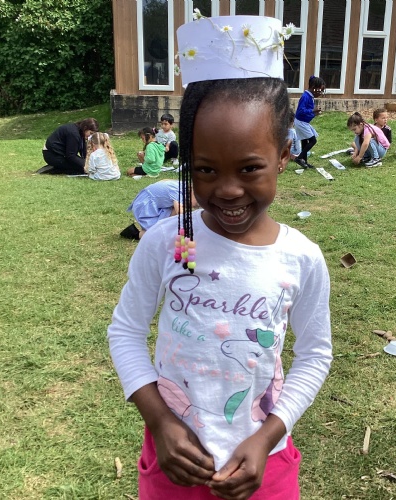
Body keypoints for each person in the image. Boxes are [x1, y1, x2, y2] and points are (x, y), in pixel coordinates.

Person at [108, 14, 332, 500]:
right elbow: (125, 332)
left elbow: (315, 354)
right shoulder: (171, 243)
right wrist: (160, 422)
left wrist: (266, 437)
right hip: (174, 464)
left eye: (249, 168)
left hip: (265, 467)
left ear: (284, 155)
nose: (227, 190)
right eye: (205, 169)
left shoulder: (300, 258)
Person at [120, 179, 198, 240]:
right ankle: (135, 234)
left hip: (156, 206)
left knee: (167, 228)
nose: (197, 206)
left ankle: (168, 229)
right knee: (157, 234)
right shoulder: (178, 191)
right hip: (144, 206)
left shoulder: (183, 187)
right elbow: (181, 213)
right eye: (198, 202)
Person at [293, 75, 325, 169]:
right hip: (301, 122)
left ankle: (305, 162)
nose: (321, 93)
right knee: (312, 140)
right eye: (320, 90)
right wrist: (312, 110)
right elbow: (300, 111)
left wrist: (314, 113)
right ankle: (299, 158)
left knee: (304, 142)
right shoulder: (305, 96)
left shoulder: (310, 96)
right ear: (313, 87)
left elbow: (307, 112)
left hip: (303, 122)